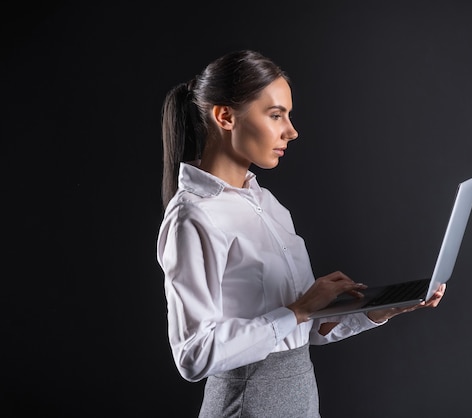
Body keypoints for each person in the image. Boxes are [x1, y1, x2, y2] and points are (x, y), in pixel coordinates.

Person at [156, 49, 446, 417]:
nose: (291, 131)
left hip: (300, 398)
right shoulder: (193, 216)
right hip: (247, 406)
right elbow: (193, 355)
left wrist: (379, 310)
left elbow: (303, 330)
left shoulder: (269, 204)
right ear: (225, 116)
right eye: (276, 115)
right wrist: (297, 309)